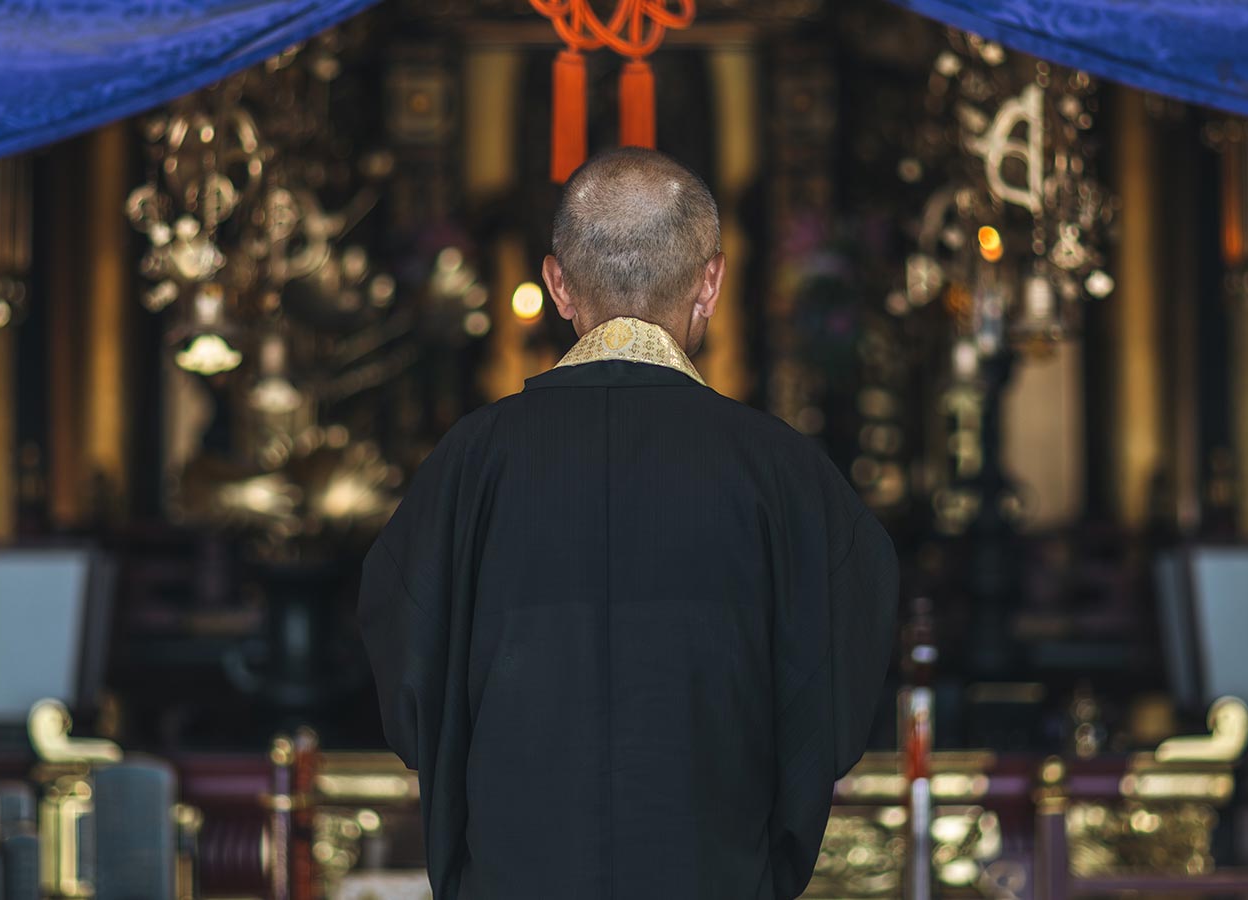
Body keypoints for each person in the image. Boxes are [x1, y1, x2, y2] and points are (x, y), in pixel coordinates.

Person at [358, 147, 899, 899]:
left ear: (557, 285)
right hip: (714, 871)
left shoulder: (470, 463)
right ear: (711, 281)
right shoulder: (782, 469)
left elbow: (409, 676)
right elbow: (839, 682)